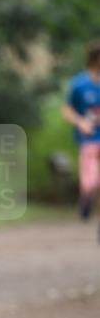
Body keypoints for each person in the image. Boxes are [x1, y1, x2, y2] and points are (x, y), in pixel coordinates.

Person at [61, 40, 100, 222]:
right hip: (89, 139)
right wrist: (81, 122)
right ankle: (86, 199)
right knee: (91, 181)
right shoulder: (80, 84)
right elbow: (67, 109)